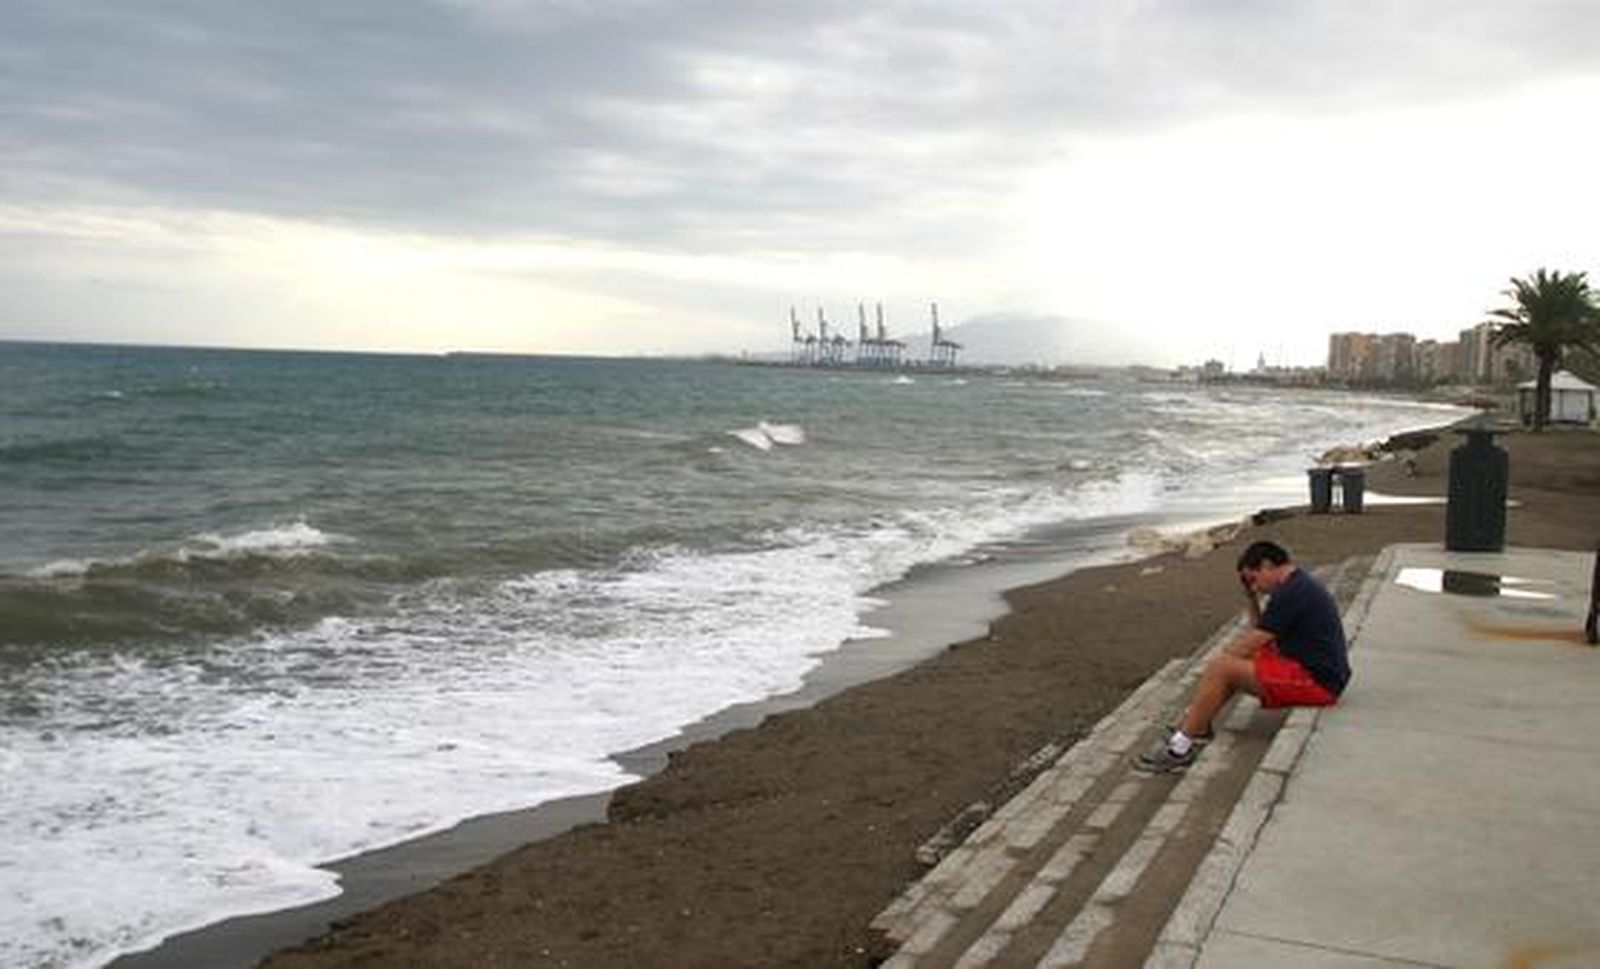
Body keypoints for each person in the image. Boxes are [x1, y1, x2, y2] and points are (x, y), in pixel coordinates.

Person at [1136, 540, 1350, 773]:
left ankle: (1179, 750)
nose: (1255, 587)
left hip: (1318, 684)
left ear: (1266, 565)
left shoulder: (1291, 594)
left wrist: (1216, 670)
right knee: (1230, 665)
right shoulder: (1296, 585)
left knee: (1222, 668)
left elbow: (1251, 642)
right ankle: (1198, 726)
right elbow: (1261, 631)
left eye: (1253, 579)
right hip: (1317, 673)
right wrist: (1251, 598)